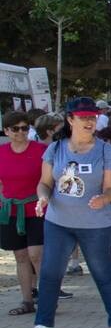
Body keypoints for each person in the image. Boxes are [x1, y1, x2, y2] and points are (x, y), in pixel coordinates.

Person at [28, 98, 111, 328]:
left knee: (103, 273)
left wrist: (104, 198)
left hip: (96, 225)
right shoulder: (55, 148)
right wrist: (42, 198)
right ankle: (43, 325)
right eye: (83, 117)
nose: (89, 122)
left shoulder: (104, 150)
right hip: (58, 221)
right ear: (70, 120)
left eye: (92, 117)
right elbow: (45, 183)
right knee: (50, 273)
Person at [1, 110, 47, 316]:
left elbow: (49, 179)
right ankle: (27, 300)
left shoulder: (40, 150)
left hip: (37, 209)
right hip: (11, 211)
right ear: (6, 131)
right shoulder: (1, 152)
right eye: (16, 129)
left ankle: (47, 298)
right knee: (20, 257)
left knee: (36, 255)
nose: (21, 132)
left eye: (25, 128)